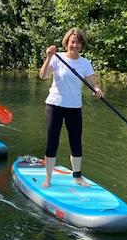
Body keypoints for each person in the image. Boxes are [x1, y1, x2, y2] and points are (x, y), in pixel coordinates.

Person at [38, 27, 104, 187]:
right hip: (54, 105)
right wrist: (48, 57)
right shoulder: (56, 57)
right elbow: (43, 76)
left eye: (78, 43)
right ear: (67, 42)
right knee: (52, 142)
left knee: (76, 142)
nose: (75, 45)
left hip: (74, 107)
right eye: (73, 42)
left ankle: (77, 177)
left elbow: (93, 83)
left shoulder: (85, 63)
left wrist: (97, 89)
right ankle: (48, 179)